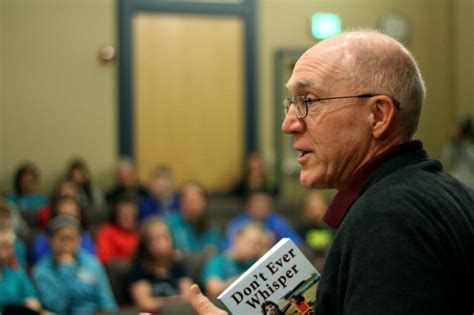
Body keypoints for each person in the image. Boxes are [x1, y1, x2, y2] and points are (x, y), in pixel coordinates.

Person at [189, 30, 474, 314]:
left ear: (378, 115)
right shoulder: (454, 194)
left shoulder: (386, 217)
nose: (288, 124)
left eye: (308, 101)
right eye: (291, 103)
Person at [32, 215, 117, 314]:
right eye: (62, 238)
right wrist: (65, 269)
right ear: (51, 241)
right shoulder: (42, 271)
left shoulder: (92, 263)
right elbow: (57, 307)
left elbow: (107, 302)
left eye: (72, 238)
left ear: (79, 240)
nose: (67, 243)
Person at [127, 217, 192, 312]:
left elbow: (189, 297)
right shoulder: (138, 268)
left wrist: (161, 302)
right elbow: (145, 304)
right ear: (146, 244)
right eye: (155, 239)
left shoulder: (177, 264)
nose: (161, 243)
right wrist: (175, 300)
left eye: (165, 237)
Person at [201, 223, 268, 297]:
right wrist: (247, 279)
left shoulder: (255, 262)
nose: (255, 248)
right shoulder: (217, 261)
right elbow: (214, 289)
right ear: (236, 238)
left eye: (259, 245)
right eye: (250, 242)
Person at [222, 191, 302, 249]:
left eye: (264, 207)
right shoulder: (237, 224)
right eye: (257, 207)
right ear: (249, 207)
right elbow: (228, 246)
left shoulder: (278, 222)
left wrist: (275, 242)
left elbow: (295, 242)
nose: (260, 210)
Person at [32, 196, 96, 264]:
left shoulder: (86, 239)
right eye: (63, 215)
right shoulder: (43, 240)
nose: (67, 220)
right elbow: (39, 263)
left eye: (71, 216)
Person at [0, 227, 47, 314]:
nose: (4, 253)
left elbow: (32, 298)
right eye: (1, 247)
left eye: (7, 247)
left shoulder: (16, 272)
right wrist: (22, 302)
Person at [166, 182, 220, 254]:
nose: (194, 206)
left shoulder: (211, 227)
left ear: (204, 203)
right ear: (181, 203)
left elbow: (216, 252)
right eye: (190, 201)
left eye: (197, 201)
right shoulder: (168, 225)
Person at [95, 197, 139, 263]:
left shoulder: (139, 233)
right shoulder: (107, 231)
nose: (126, 216)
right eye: (123, 213)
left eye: (129, 213)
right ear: (116, 214)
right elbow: (104, 259)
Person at [442, 115, 474, 188]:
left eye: (457, 128)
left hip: (470, 183)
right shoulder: (451, 146)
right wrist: (453, 144)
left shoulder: (470, 147)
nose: (454, 131)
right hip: (455, 180)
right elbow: (447, 162)